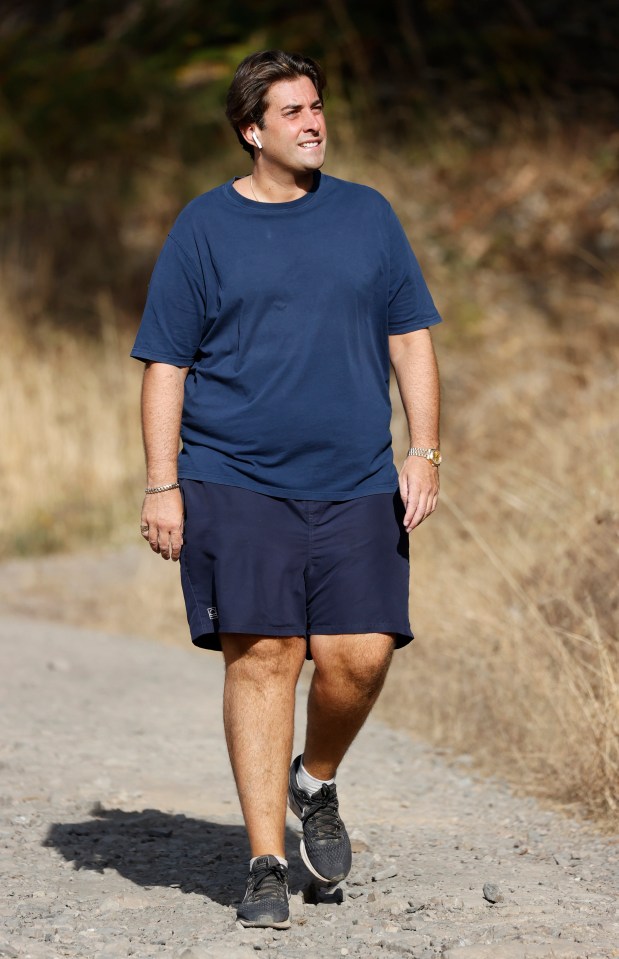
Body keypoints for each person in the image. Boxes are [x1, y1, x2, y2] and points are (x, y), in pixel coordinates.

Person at [131, 49, 442, 930]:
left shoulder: (368, 215)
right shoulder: (203, 227)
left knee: (360, 654)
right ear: (251, 130)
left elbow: (411, 333)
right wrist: (163, 484)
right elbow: (165, 363)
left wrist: (424, 450)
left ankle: (317, 777)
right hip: (233, 475)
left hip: (353, 478)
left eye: (317, 107)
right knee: (263, 656)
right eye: (293, 111)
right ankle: (265, 857)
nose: (314, 122)